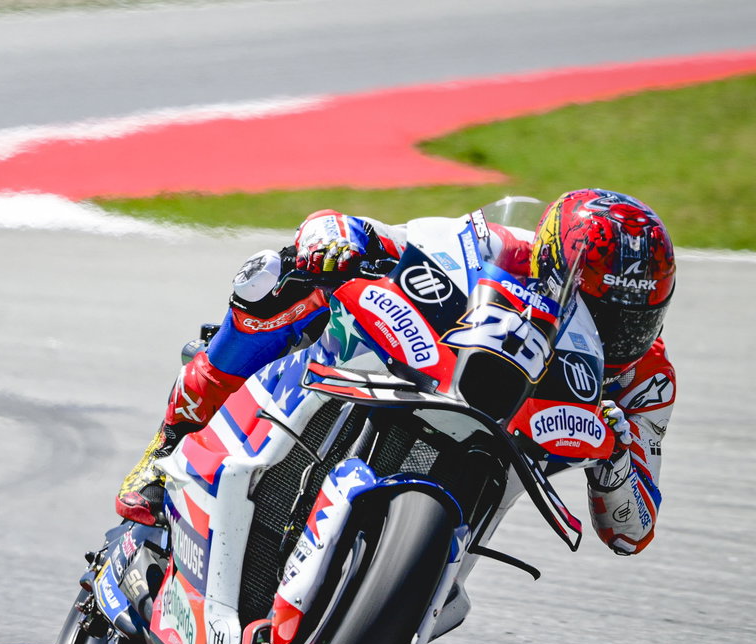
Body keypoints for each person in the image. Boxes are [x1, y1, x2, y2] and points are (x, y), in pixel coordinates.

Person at [114, 189, 676, 555]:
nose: (617, 336)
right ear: (550, 265)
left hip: (495, 465)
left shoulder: (648, 379)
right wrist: (338, 235)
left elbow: (631, 533)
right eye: (600, 312)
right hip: (432, 371)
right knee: (274, 279)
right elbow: (393, 237)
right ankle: (172, 442)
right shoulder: (505, 248)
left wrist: (616, 464)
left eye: (636, 321)